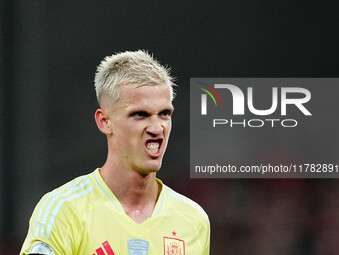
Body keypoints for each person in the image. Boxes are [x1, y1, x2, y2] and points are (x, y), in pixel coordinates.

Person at [20, 50, 210, 255]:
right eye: (140, 114)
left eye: (164, 114)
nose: (157, 128)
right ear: (105, 121)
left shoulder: (193, 220)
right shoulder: (63, 210)